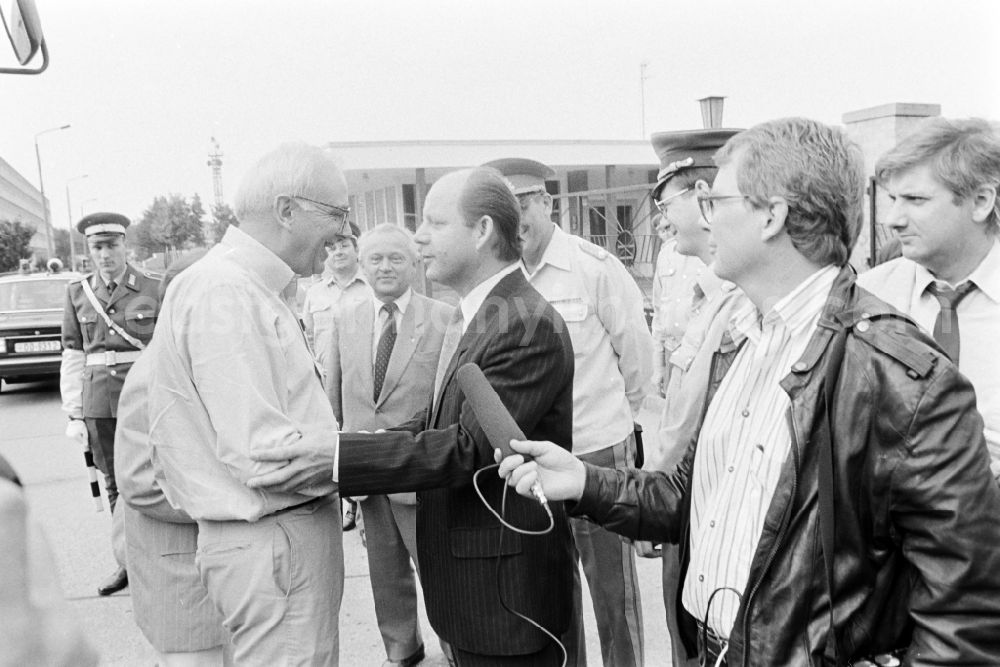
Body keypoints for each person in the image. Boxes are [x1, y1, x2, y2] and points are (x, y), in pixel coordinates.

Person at [497, 118, 1000, 666]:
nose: (703, 216)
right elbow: (685, 501)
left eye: (716, 199)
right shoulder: (745, 343)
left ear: (772, 216)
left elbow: (963, 614)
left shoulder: (898, 372)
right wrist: (583, 482)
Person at [248, 167, 577, 666]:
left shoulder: (523, 324)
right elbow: (435, 422)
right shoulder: (486, 312)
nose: (420, 236)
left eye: (435, 223)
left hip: (507, 604)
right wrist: (346, 448)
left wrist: (338, 457)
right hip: (482, 596)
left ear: (483, 231)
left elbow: (465, 448)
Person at [147, 143, 349, 666]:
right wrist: (377, 459)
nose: (344, 234)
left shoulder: (249, 287)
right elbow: (261, 454)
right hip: (273, 537)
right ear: (287, 210)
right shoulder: (226, 293)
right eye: (337, 214)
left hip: (275, 540)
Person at [483, 157, 651, 666]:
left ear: (547, 203)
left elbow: (638, 361)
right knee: (551, 596)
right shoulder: (499, 282)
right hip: (531, 465)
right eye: (502, 209)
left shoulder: (593, 267)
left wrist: (611, 423)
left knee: (613, 597)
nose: (517, 219)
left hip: (596, 451)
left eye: (523, 203)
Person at [325, 223, 454, 667]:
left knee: (438, 572)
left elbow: (446, 397)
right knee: (384, 572)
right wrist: (341, 464)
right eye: (375, 258)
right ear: (362, 265)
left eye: (396, 258)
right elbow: (335, 395)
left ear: (416, 266)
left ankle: (457, 649)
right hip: (367, 471)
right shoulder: (345, 318)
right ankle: (403, 650)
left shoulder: (444, 318)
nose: (385, 267)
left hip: (420, 470)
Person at [641, 129, 742, 667]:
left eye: (666, 201)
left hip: (701, 502)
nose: (662, 216)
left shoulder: (737, 299)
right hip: (678, 493)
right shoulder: (694, 279)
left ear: (704, 195)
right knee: (680, 626)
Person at [858, 117, 1000, 479]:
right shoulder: (868, 297)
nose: (893, 219)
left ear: (981, 201)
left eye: (915, 200)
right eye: (893, 200)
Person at [115, 249, 229, 666]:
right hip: (180, 584)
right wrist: (231, 504)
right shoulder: (154, 372)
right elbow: (139, 483)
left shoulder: (192, 359)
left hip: (207, 579)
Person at [60, 212, 161, 597]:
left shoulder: (152, 287)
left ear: (125, 246)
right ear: (89, 251)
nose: (105, 254)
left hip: (143, 399)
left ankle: (160, 558)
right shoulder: (77, 293)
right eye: (97, 247)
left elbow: (166, 349)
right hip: (98, 402)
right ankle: (127, 563)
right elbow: (72, 355)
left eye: (111, 246)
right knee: (115, 484)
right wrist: (73, 412)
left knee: (156, 478)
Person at [301, 220, 368, 530]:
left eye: (344, 244)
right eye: (331, 246)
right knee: (335, 442)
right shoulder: (314, 295)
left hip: (363, 381)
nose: (337, 251)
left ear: (356, 249)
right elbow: (310, 339)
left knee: (362, 441)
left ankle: (368, 511)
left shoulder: (372, 287)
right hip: (328, 383)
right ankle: (346, 503)